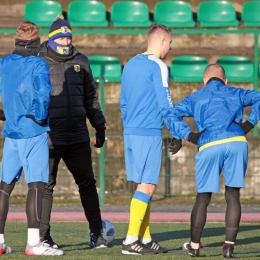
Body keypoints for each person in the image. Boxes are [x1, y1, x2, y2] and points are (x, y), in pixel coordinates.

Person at [168, 64, 260, 258]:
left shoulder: (195, 96)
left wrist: (188, 136)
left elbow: (171, 114)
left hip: (209, 143)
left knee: (203, 197)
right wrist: (249, 124)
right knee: (233, 195)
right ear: (225, 81)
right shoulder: (235, 91)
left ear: (204, 81)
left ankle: (194, 246)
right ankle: (228, 247)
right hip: (236, 141)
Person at [38, 15, 107, 249]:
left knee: (87, 184)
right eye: (61, 37)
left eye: (69, 37)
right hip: (48, 137)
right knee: (46, 186)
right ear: (52, 38)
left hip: (77, 134)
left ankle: (96, 233)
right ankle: (43, 237)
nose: (66, 41)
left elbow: (91, 99)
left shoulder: (82, 61)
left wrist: (100, 126)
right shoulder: (38, 59)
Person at [0, 21, 63, 256]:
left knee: (4, 188)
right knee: (36, 185)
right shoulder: (37, 63)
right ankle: (34, 243)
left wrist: (6, 114)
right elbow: (44, 93)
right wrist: (39, 116)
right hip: (33, 131)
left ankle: (0, 241)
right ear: (36, 42)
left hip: (11, 133)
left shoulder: (3, 63)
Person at [120, 23, 173, 255]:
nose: (170, 48)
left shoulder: (130, 64)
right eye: (169, 43)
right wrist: (177, 131)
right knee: (148, 185)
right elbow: (165, 103)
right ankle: (130, 240)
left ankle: (145, 237)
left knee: (144, 185)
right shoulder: (158, 65)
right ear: (161, 41)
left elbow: (123, 102)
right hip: (148, 132)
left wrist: (130, 125)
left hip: (130, 130)